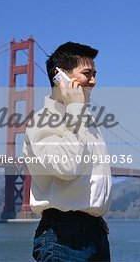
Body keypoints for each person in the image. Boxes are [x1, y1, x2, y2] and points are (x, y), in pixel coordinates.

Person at [23, 42, 112, 261]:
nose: (93, 81)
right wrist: (74, 107)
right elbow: (67, 167)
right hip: (63, 236)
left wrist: (93, 212)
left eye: (94, 74)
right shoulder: (41, 121)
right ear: (59, 76)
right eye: (86, 74)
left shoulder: (85, 119)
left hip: (94, 232)